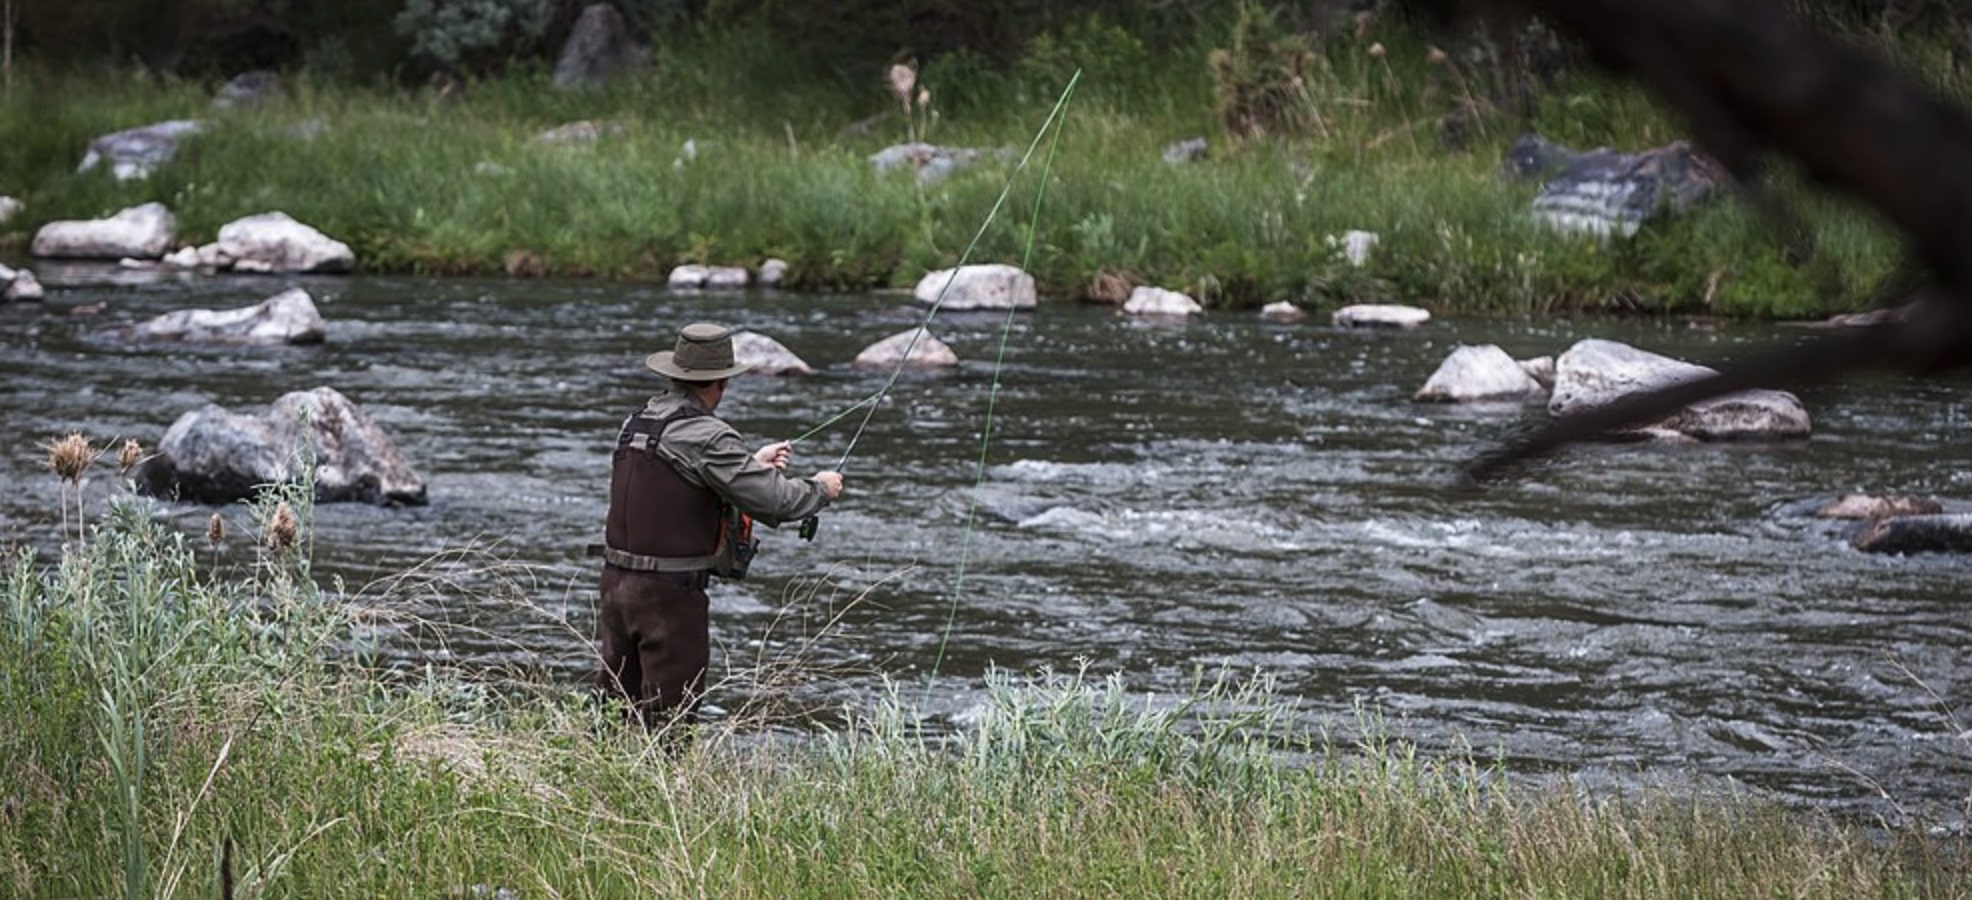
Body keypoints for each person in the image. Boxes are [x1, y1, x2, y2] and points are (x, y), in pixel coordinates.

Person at [597, 321, 844, 732]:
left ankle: (596, 784)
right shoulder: (708, 435)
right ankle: (661, 793)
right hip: (668, 595)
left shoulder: (637, 421)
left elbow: (674, 487)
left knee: (614, 707)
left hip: (616, 583)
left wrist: (752, 465)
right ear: (720, 383)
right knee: (670, 719)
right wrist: (820, 488)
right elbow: (778, 502)